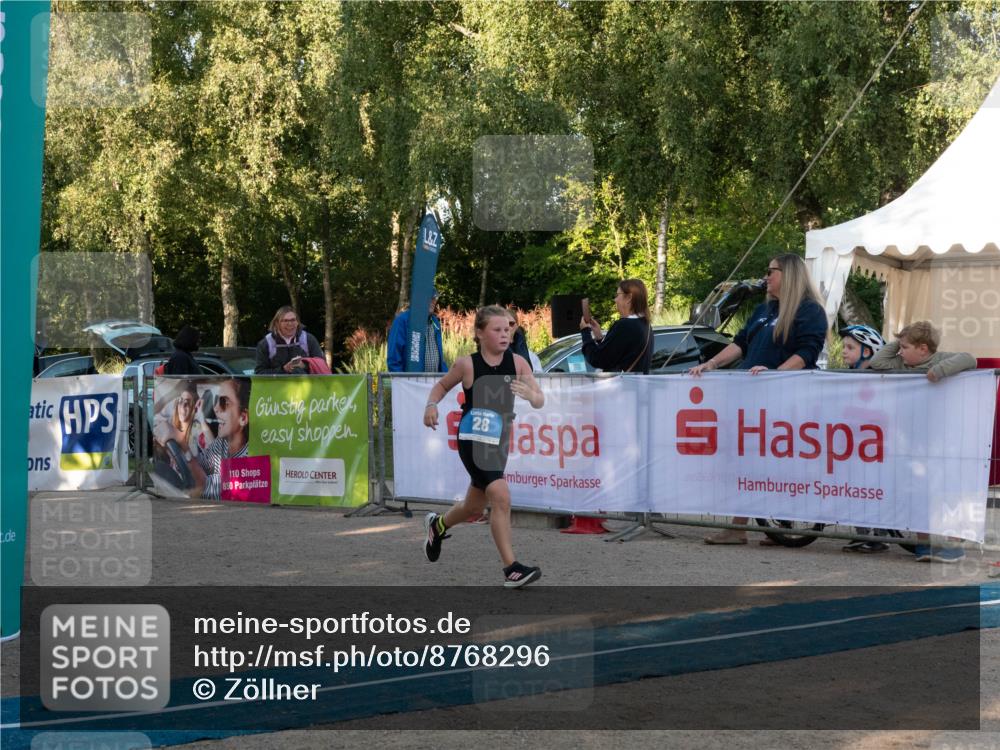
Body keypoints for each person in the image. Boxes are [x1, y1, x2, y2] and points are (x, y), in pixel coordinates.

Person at [688, 253, 828, 545]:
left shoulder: (810, 310)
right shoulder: (764, 310)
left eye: (771, 271)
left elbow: (807, 352)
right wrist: (711, 364)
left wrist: (775, 374)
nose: (766, 277)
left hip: (783, 400)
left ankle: (773, 524)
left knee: (775, 463)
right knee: (743, 460)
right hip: (749, 398)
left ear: (788, 275)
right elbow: (740, 344)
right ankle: (739, 526)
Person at [422, 305, 545, 588]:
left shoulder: (518, 364)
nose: (504, 335)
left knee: (473, 506)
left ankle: (437, 526)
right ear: (480, 333)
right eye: (497, 330)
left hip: (499, 441)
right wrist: (431, 405)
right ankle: (511, 569)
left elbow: (540, 400)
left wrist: (531, 395)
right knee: (500, 494)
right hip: (472, 439)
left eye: (508, 330)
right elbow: (441, 387)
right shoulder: (467, 364)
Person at [868, 320, 977, 563]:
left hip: (940, 438)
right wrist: (900, 339)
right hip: (911, 440)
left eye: (906, 347)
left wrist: (939, 372)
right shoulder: (901, 363)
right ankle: (925, 544)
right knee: (918, 491)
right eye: (901, 347)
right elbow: (877, 362)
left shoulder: (938, 359)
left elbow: (969, 358)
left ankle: (953, 546)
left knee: (945, 492)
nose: (900, 351)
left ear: (924, 349)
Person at [838, 325, 891, 553]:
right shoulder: (848, 378)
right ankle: (863, 534)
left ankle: (878, 536)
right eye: (843, 347)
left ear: (868, 352)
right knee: (857, 488)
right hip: (856, 447)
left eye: (850, 347)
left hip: (877, 448)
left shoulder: (883, 379)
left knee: (873, 488)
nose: (843, 352)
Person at [580, 279, 653, 374]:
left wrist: (585, 332)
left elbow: (598, 360)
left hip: (622, 387)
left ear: (629, 298)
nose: (615, 300)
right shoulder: (645, 324)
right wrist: (599, 337)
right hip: (636, 387)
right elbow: (616, 354)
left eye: (617, 295)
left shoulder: (625, 325)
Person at [387, 289, 448, 373]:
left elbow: (440, 358)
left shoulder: (435, 321)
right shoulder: (402, 321)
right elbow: (393, 359)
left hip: (435, 382)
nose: (434, 301)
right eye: (430, 298)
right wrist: (402, 382)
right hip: (412, 383)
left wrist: (446, 377)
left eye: (435, 298)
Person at [255, 306, 323, 375]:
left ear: (297, 322)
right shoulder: (266, 343)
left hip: (305, 384)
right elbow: (259, 373)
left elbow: (322, 365)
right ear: (277, 323)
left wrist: (304, 365)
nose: (290, 324)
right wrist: (284, 369)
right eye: (285, 320)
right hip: (277, 385)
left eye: (293, 320)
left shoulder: (308, 339)